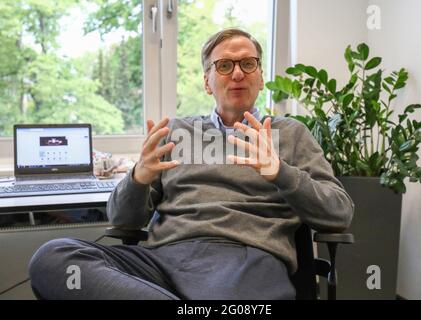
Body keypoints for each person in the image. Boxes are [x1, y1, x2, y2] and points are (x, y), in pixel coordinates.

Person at [28, 28, 354, 300]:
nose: (238, 72)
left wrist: (281, 172)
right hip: (161, 262)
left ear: (260, 77)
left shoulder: (290, 134)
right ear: (207, 82)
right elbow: (122, 220)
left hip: (245, 264)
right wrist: (138, 178)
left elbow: (339, 212)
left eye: (248, 64)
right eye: (224, 65)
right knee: (55, 258)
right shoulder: (177, 132)